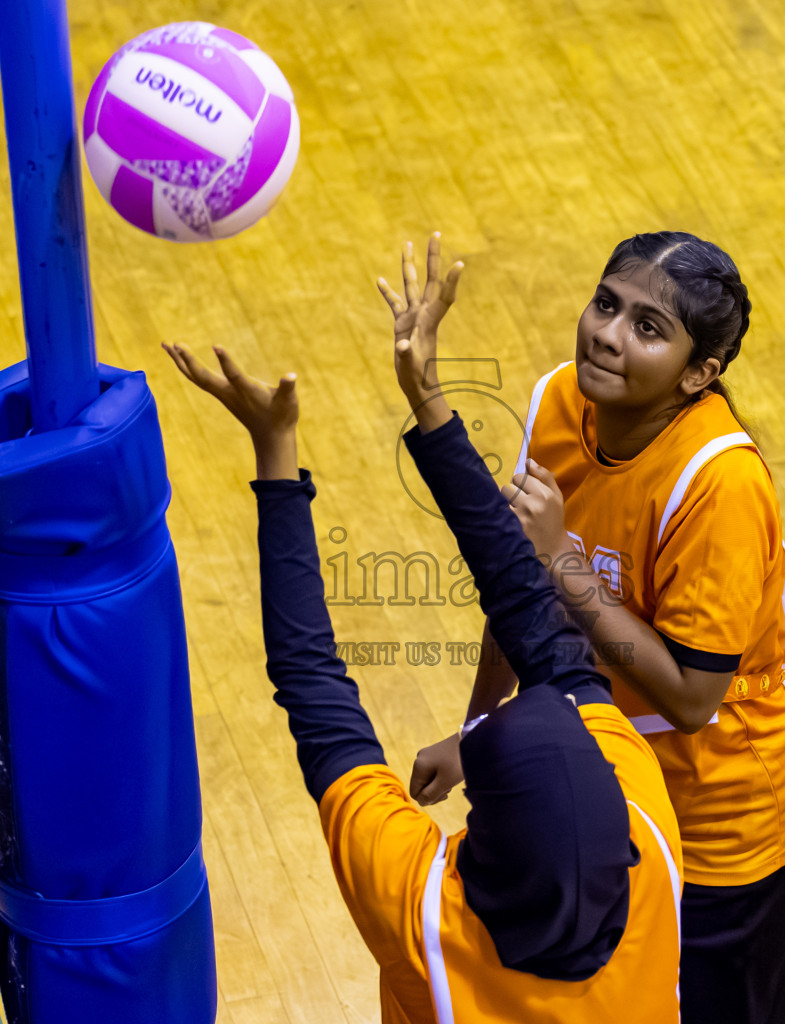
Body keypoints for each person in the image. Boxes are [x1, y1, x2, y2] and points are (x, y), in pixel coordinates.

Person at [160, 236, 683, 1022]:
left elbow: (314, 687)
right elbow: (529, 618)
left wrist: (276, 450)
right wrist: (427, 399)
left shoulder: (427, 924)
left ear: (482, 842)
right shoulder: (649, 838)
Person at [404, 231, 785, 1023]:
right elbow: (517, 589)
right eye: (606, 304)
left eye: (648, 327)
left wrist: (564, 561)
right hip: (611, 802)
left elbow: (694, 696)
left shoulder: (720, 483)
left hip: (725, 832)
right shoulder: (561, 401)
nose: (607, 332)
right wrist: (481, 737)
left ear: (700, 375)